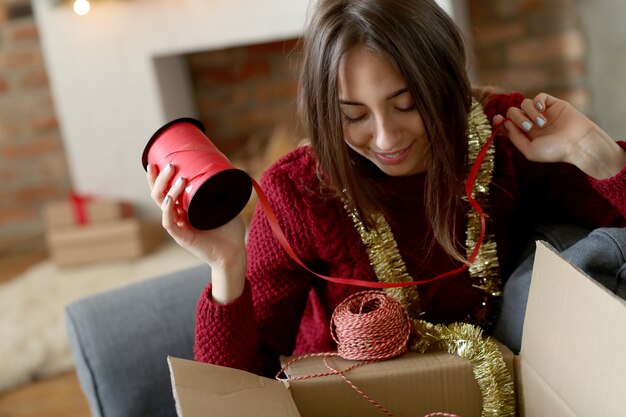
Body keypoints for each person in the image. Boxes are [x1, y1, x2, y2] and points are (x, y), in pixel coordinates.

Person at [146, 0, 626, 377]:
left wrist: (600, 155)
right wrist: (226, 264)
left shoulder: (508, 134)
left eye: (407, 105)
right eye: (353, 115)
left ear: (445, 86)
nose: (385, 138)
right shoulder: (298, 192)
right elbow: (230, 390)